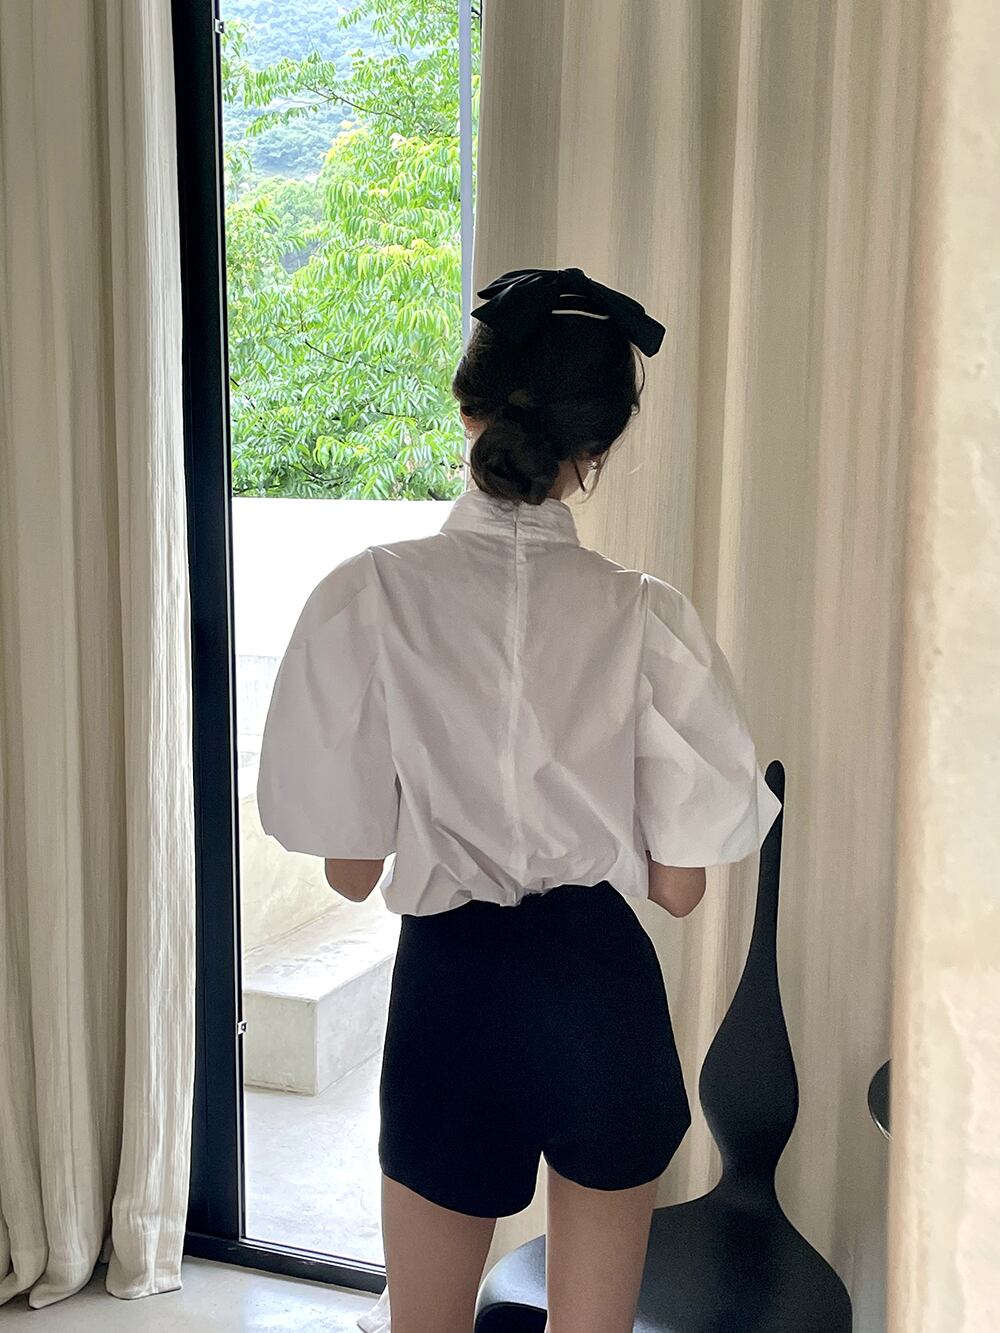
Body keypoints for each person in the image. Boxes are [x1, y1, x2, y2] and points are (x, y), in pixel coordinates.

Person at [256, 266, 782, 1333]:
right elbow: (680, 889)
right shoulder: (646, 616)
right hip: (596, 992)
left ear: (471, 412)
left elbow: (351, 872)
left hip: (450, 991)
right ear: (596, 451)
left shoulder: (370, 593)